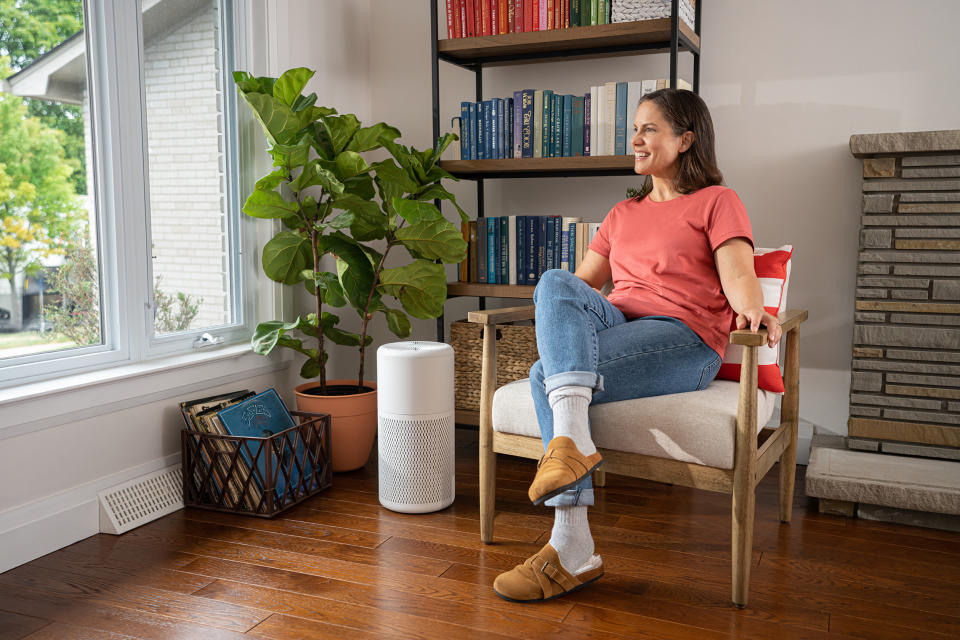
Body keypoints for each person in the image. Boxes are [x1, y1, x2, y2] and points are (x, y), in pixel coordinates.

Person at [492, 89, 783, 603]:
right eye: (636, 128)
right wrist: (558, 308)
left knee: (544, 377)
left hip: (683, 338)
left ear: (685, 139)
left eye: (649, 128)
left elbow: (738, 273)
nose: (636, 138)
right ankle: (573, 472)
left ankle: (570, 545)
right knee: (555, 281)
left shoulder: (718, 201)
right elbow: (576, 292)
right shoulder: (622, 212)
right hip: (620, 324)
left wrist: (755, 308)